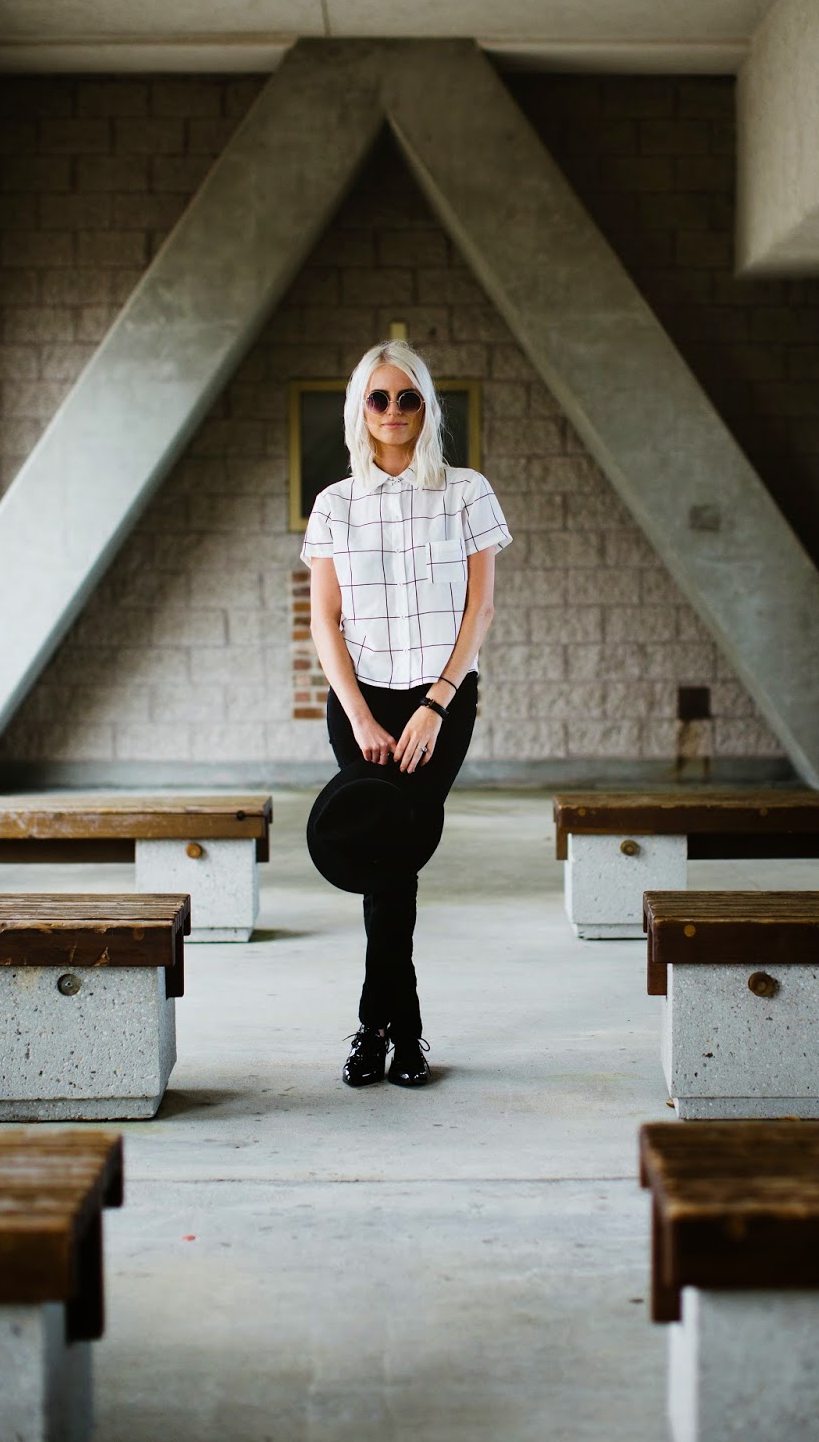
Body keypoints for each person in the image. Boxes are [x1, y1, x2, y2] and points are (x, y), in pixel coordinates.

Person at [302, 340, 511, 1087]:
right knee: (386, 863)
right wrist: (360, 718)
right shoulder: (335, 504)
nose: (393, 411)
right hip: (360, 705)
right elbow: (324, 621)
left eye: (408, 397)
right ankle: (400, 1033)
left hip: (439, 704)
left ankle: (378, 1031)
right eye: (379, 398)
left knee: (395, 858)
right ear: (360, 409)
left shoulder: (466, 493)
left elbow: (480, 609)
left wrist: (434, 705)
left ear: (427, 406)